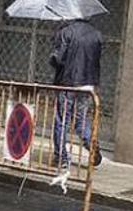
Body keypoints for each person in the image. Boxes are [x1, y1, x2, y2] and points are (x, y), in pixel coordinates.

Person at [49, 17, 103, 170]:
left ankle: (61, 157)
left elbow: (58, 59)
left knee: (62, 120)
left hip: (68, 83)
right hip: (87, 85)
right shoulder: (96, 34)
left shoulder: (66, 32)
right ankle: (92, 145)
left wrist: (52, 55)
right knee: (81, 120)